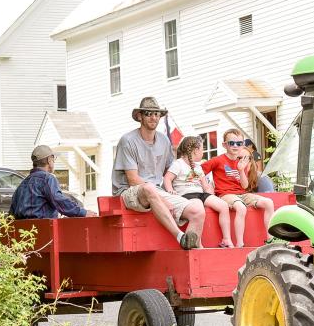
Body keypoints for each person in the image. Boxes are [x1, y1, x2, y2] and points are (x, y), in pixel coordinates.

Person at [113, 97, 204, 250]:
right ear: (140, 116)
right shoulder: (128, 140)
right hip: (129, 193)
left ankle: (192, 252)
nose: (153, 117)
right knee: (149, 188)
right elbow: (133, 180)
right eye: (148, 113)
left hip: (157, 191)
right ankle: (180, 236)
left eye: (157, 114)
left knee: (197, 209)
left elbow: (170, 173)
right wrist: (161, 199)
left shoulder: (164, 141)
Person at [201, 129, 275, 247]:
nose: (235, 146)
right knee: (241, 207)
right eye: (231, 143)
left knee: (269, 202)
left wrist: (241, 170)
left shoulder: (241, 161)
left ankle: (271, 240)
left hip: (241, 194)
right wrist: (206, 186)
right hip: (225, 195)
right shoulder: (217, 160)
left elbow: (245, 186)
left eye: (239, 143)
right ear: (224, 145)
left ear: (242, 145)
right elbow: (199, 171)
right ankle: (240, 244)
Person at [163, 135, 234, 248]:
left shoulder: (198, 167)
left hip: (200, 193)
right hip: (186, 194)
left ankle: (226, 239)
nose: (203, 153)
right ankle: (197, 243)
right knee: (199, 207)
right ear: (195, 151)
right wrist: (170, 190)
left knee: (223, 206)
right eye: (202, 150)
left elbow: (205, 186)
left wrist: (214, 197)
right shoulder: (178, 164)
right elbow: (167, 178)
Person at [9, 144, 98, 219]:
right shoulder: (47, 178)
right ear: (49, 160)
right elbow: (59, 201)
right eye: (53, 159)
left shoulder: (22, 185)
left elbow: (11, 215)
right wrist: (83, 212)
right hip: (43, 231)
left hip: (23, 235)